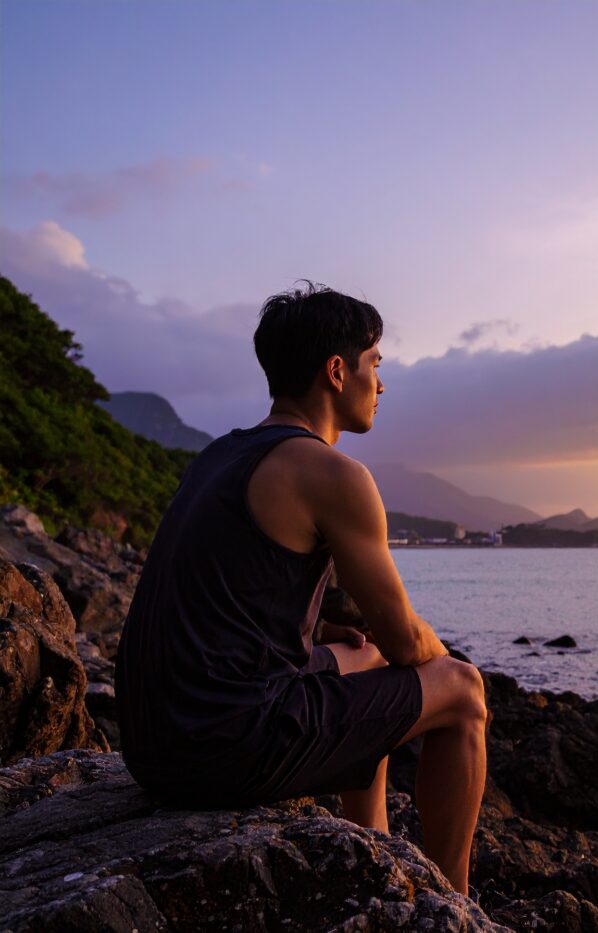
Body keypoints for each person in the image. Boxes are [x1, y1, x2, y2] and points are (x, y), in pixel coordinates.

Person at [115, 283, 486, 894]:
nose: (381, 385)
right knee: (464, 691)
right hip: (225, 745)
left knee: (361, 657)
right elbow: (404, 640)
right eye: (375, 365)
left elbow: (228, 598)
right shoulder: (334, 474)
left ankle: (375, 854)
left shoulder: (219, 456)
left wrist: (312, 634)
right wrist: (440, 667)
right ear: (337, 372)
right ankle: (455, 905)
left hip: (152, 745)